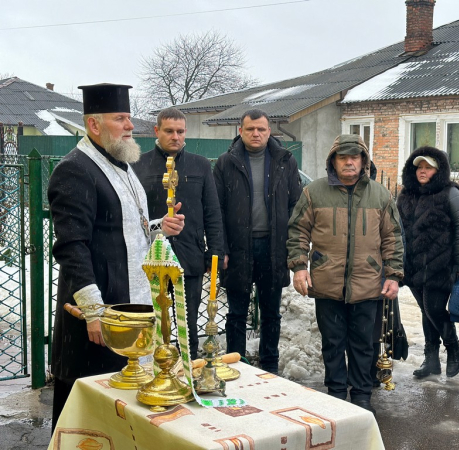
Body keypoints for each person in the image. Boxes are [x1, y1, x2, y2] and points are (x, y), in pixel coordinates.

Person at [48, 84, 185, 431]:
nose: (129, 126)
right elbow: (72, 245)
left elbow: (122, 231)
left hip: (128, 306)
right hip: (100, 310)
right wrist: (93, 311)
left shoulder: (121, 165)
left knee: (120, 411)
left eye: (128, 118)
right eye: (120, 118)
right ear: (94, 125)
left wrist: (157, 228)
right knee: (88, 413)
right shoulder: (75, 169)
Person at [287, 134, 404, 415]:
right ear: (333, 161)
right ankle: (337, 393)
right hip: (327, 281)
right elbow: (297, 231)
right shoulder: (314, 192)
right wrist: (300, 267)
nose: (349, 162)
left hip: (368, 282)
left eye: (355, 157)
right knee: (333, 342)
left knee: (364, 344)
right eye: (343, 157)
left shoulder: (380, 195)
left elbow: (393, 237)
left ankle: (362, 395)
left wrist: (393, 274)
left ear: (363, 161)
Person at [213, 109, 302, 374]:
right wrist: (222, 248)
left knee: (271, 311)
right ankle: (236, 363)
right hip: (239, 248)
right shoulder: (226, 162)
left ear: (269, 132)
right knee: (237, 312)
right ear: (240, 131)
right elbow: (216, 209)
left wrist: (291, 246)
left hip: (273, 247)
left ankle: (270, 365)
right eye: (250, 129)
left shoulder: (284, 160)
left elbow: (296, 206)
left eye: (261, 129)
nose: (256, 134)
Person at [132, 107, 223, 360]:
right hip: (150, 256)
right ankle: (156, 370)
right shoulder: (138, 165)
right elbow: (131, 215)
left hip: (190, 254)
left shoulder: (200, 165)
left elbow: (212, 212)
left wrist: (214, 251)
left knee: (188, 323)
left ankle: (189, 369)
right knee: (153, 321)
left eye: (180, 131)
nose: (175, 137)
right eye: (169, 131)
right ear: (156, 131)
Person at [396, 146, 459, 379]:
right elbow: (396, 229)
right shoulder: (406, 195)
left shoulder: (451, 194)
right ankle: (431, 360)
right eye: (420, 167)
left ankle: (453, 348)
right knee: (426, 311)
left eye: (429, 167)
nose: (423, 171)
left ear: (438, 170)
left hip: (440, 265)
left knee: (434, 309)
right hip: (413, 265)